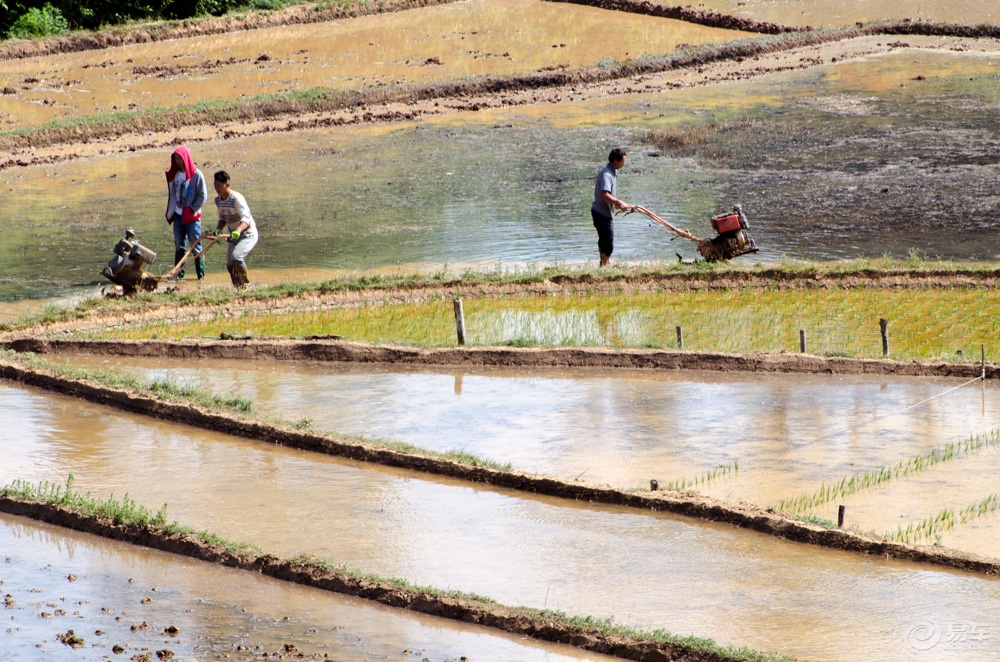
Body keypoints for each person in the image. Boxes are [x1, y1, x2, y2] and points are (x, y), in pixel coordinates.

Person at [165, 146, 209, 280]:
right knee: (179, 245)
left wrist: (192, 209)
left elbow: (203, 196)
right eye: (176, 159)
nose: (178, 161)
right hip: (178, 216)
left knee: (195, 246)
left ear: (186, 158)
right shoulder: (176, 175)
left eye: (180, 158)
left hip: (192, 218)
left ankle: (200, 276)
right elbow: (173, 193)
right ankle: (178, 275)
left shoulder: (197, 175)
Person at [212, 170, 258, 288]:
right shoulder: (218, 200)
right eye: (215, 185)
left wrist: (238, 231)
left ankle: (246, 286)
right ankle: (238, 287)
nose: (216, 188)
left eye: (219, 186)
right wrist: (218, 229)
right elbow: (223, 217)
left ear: (227, 185)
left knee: (237, 257)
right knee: (229, 264)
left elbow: (245, 220)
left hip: (247, 234)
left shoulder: (237, 199)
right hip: (233, 235)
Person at [591, 147, 633, 266]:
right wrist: (618, 202)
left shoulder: (612, 172)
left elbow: (607, 197)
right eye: (622, 161)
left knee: (604, 239)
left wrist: (617, 205)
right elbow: (604, 195)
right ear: (615, 160)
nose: (624, 164)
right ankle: (605, 264)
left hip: (601, 211)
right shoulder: (606, 174)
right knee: (608, 242)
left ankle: (604, 263)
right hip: (601, 213)